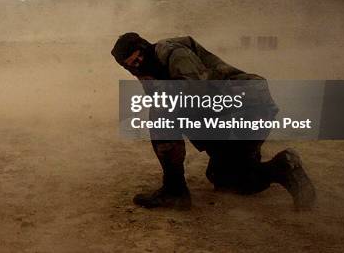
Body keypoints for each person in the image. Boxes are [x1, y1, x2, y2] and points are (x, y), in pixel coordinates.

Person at [111, 32, 316, 211]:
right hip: (242, 110)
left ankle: (174, 191)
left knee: (161, 113)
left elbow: (198, 94)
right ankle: (283, 167)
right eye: (129, 66)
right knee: (226, 179)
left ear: (144, 49)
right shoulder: (150, 69)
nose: (135, 68)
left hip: (245, 110)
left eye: (136, 61)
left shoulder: (174, 55)